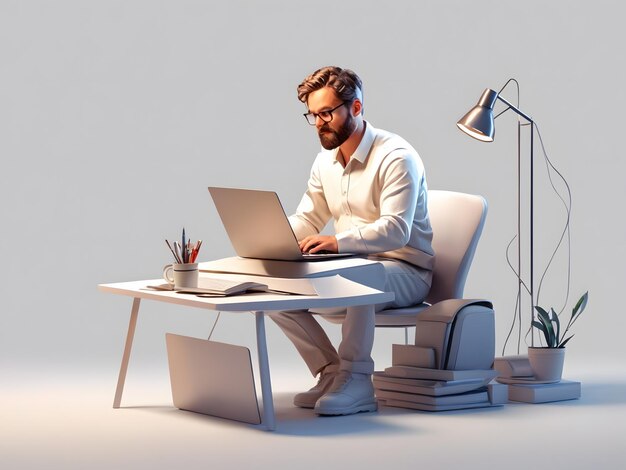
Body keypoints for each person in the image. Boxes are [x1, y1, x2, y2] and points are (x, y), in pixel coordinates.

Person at [271, 66, 434, 416]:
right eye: (312, 115)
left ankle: (358, 380)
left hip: (405, 271)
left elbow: (396, 230)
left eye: (326, 113)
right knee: (273, 286)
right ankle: (331, 373)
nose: (318, 123)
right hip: (350, 265)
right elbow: (308, 218)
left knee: (361, 275)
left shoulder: (396, 156)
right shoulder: (325, 162)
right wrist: (271, 235)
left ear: (356, 108)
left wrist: (336, 242)